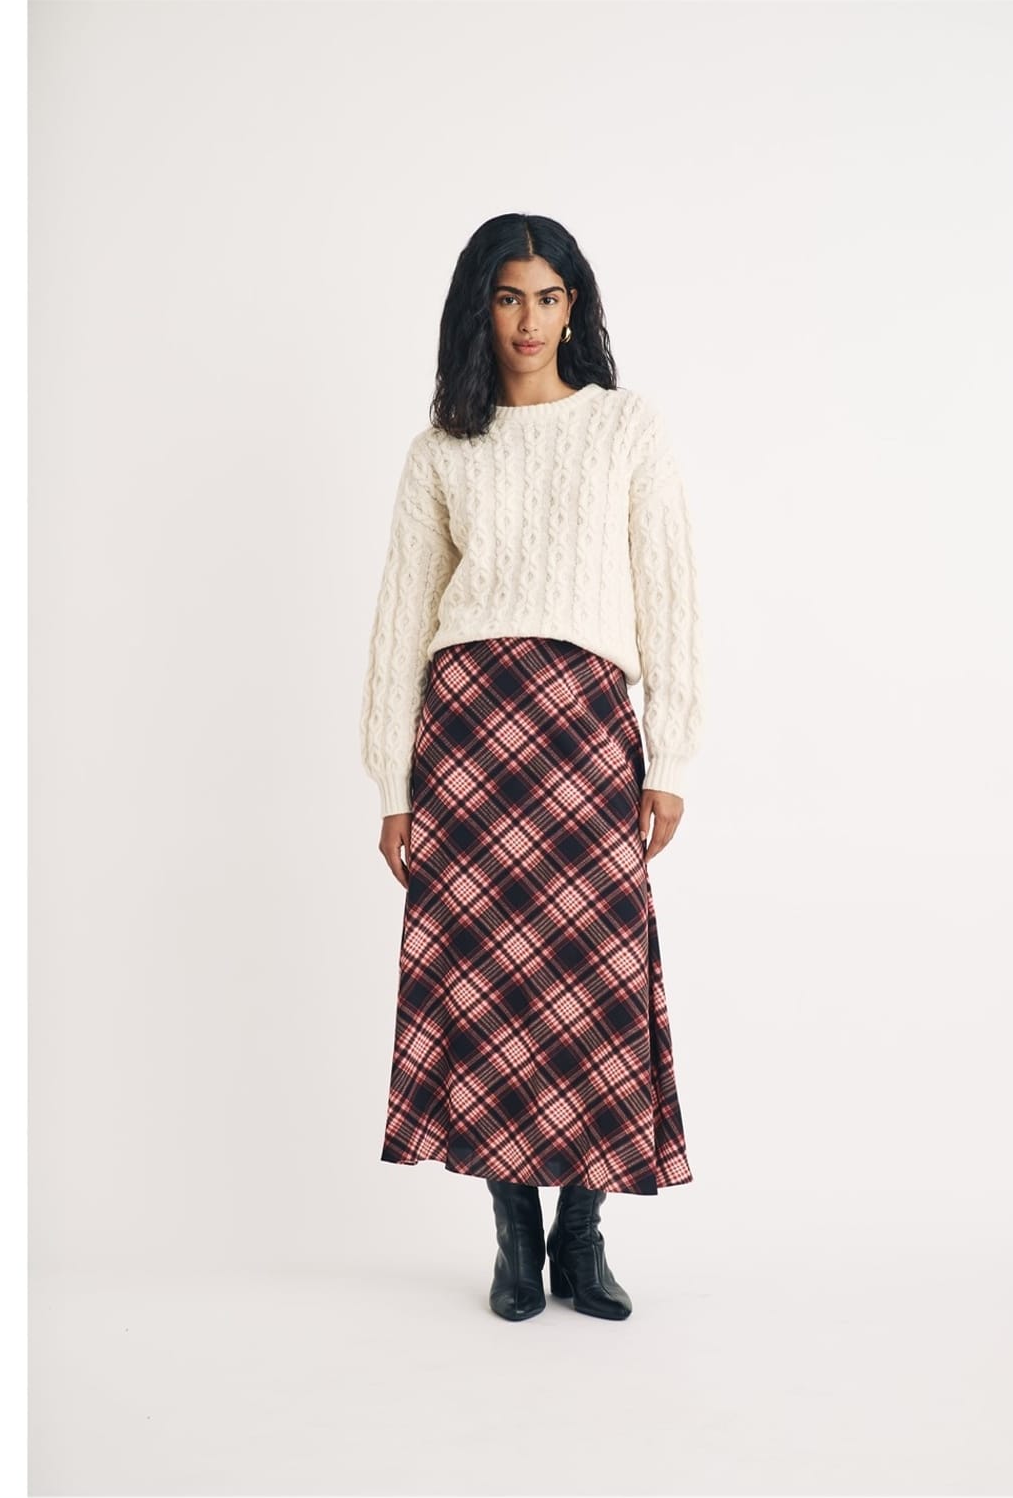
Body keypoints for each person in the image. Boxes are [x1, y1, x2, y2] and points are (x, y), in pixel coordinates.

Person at [358, 213, 706, 1323]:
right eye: (509, 297)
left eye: (548, 298)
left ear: (575, 307)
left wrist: (670, 754)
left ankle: (581, 1238)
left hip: (584, 731)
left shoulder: (625, 426)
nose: (528, 321)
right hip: (469, 737)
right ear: (481, 307)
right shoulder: (442, 449)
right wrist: (394, 784)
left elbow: (669, 588)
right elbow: (402, 619)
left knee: (594, 985)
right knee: (489, 989)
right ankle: (514, 1238)